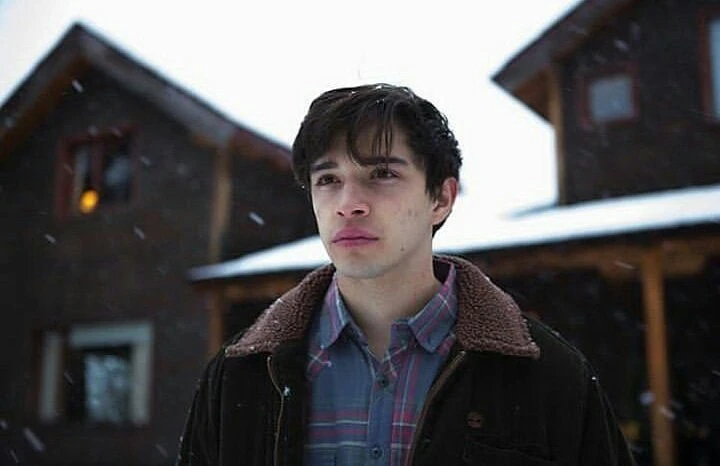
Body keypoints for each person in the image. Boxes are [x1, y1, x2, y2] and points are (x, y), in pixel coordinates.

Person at [176, 84, 635, 466]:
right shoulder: (239, 379)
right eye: (328, 179)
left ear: (442, 199)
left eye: (381, 173)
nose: (348, 204)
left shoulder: (548, 376)